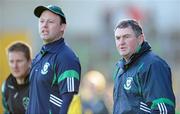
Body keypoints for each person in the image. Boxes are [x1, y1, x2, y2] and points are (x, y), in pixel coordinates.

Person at [26, 5, 81, 114]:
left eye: (50, 22)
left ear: (62, 27)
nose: (44, 25)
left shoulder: (66, 58)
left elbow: (69, 100)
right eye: (41, 21)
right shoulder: (39, 57)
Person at [113, 19, 176, 114]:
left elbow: (164, 110)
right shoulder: (121, 69)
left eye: (126, 37)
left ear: (140, 39)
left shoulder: (153, 65)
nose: (121, 42)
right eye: (118, 38)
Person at [1, 42, 31, 114]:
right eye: (11, 61)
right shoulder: (6, 86)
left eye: (19, 61)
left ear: (29, 61)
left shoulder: (39, 84)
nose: (15, 66)